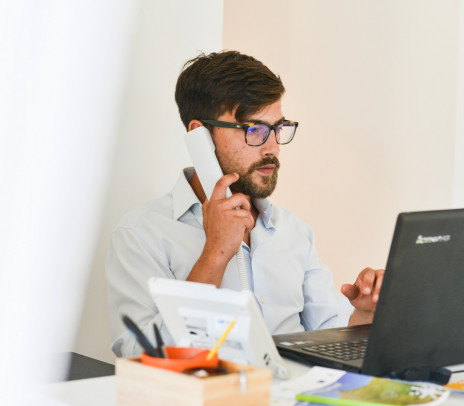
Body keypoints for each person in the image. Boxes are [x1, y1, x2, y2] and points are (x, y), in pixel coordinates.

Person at [107, 51, 383, 357]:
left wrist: (364, 315)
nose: (273, 148)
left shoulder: (293, 231)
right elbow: (138, 357)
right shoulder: (141, 234)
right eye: (254, 130)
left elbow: (328, 332)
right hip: (212, 403)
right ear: (200, 135)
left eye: (278, 128)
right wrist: (214, 255)